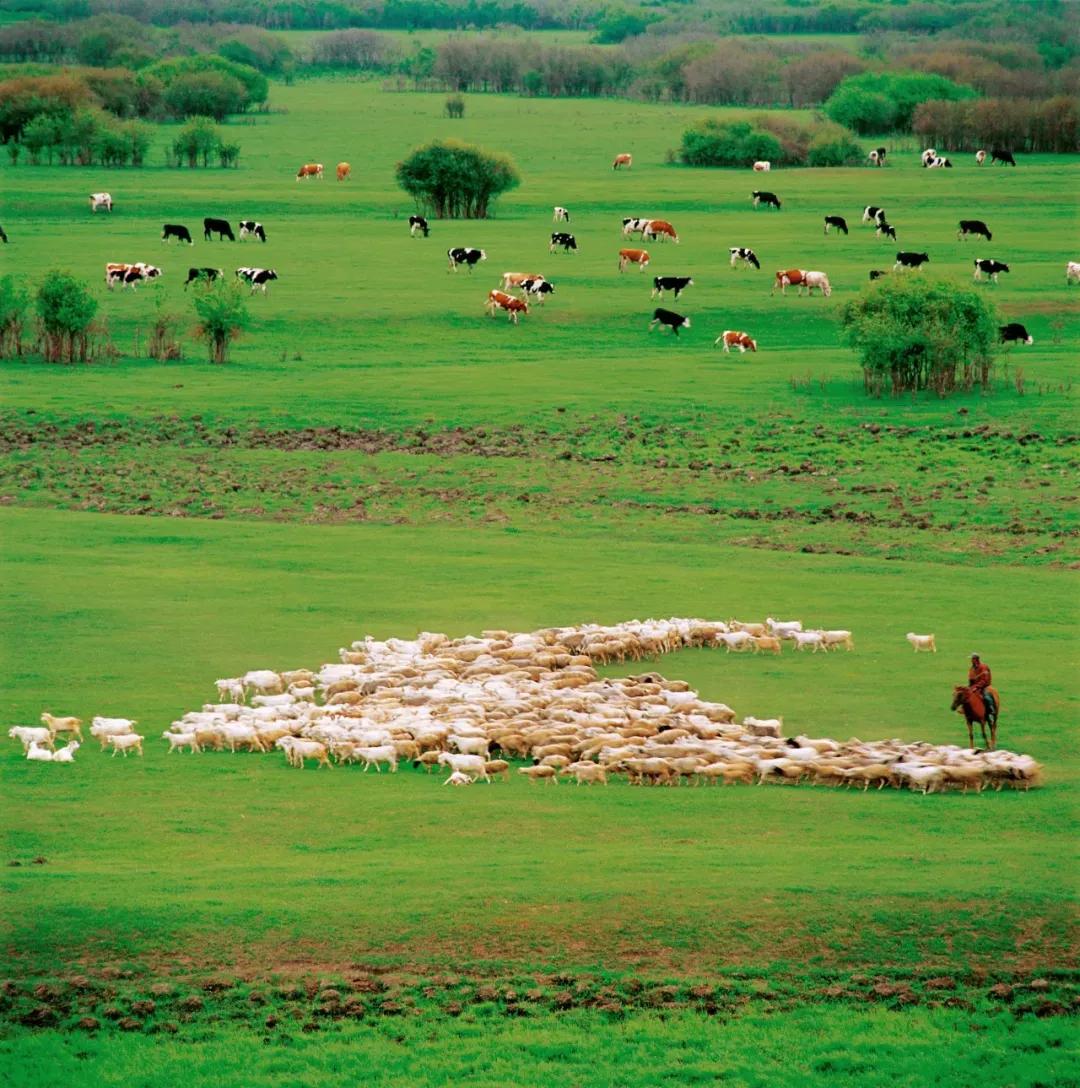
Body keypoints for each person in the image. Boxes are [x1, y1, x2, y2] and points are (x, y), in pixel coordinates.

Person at [968, 654, 996, 723]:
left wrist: (977, 687)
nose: (971, 660)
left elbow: (985, 680)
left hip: (984, 686)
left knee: (986, 697)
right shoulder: (972, 668)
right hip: (975, 686)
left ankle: (991, 711)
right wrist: (970, 687)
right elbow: (971, 678)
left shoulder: (983, 667)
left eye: (972, 659)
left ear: (976, 660)